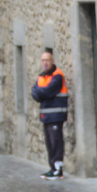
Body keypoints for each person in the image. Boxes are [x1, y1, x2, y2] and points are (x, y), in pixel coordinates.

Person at [32, 48, 68, 180]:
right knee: (49, 143)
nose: (45, 63)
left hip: (56, 114)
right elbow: (34, 92)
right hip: (46, 115)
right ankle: (52, 168)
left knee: (56, 142)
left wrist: (41, 92)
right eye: (43, 60)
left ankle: (58, 170)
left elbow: (48, 92)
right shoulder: (41, 77)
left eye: (47, 60)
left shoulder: (57, 75)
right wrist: (41, 92)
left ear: (53, 61)